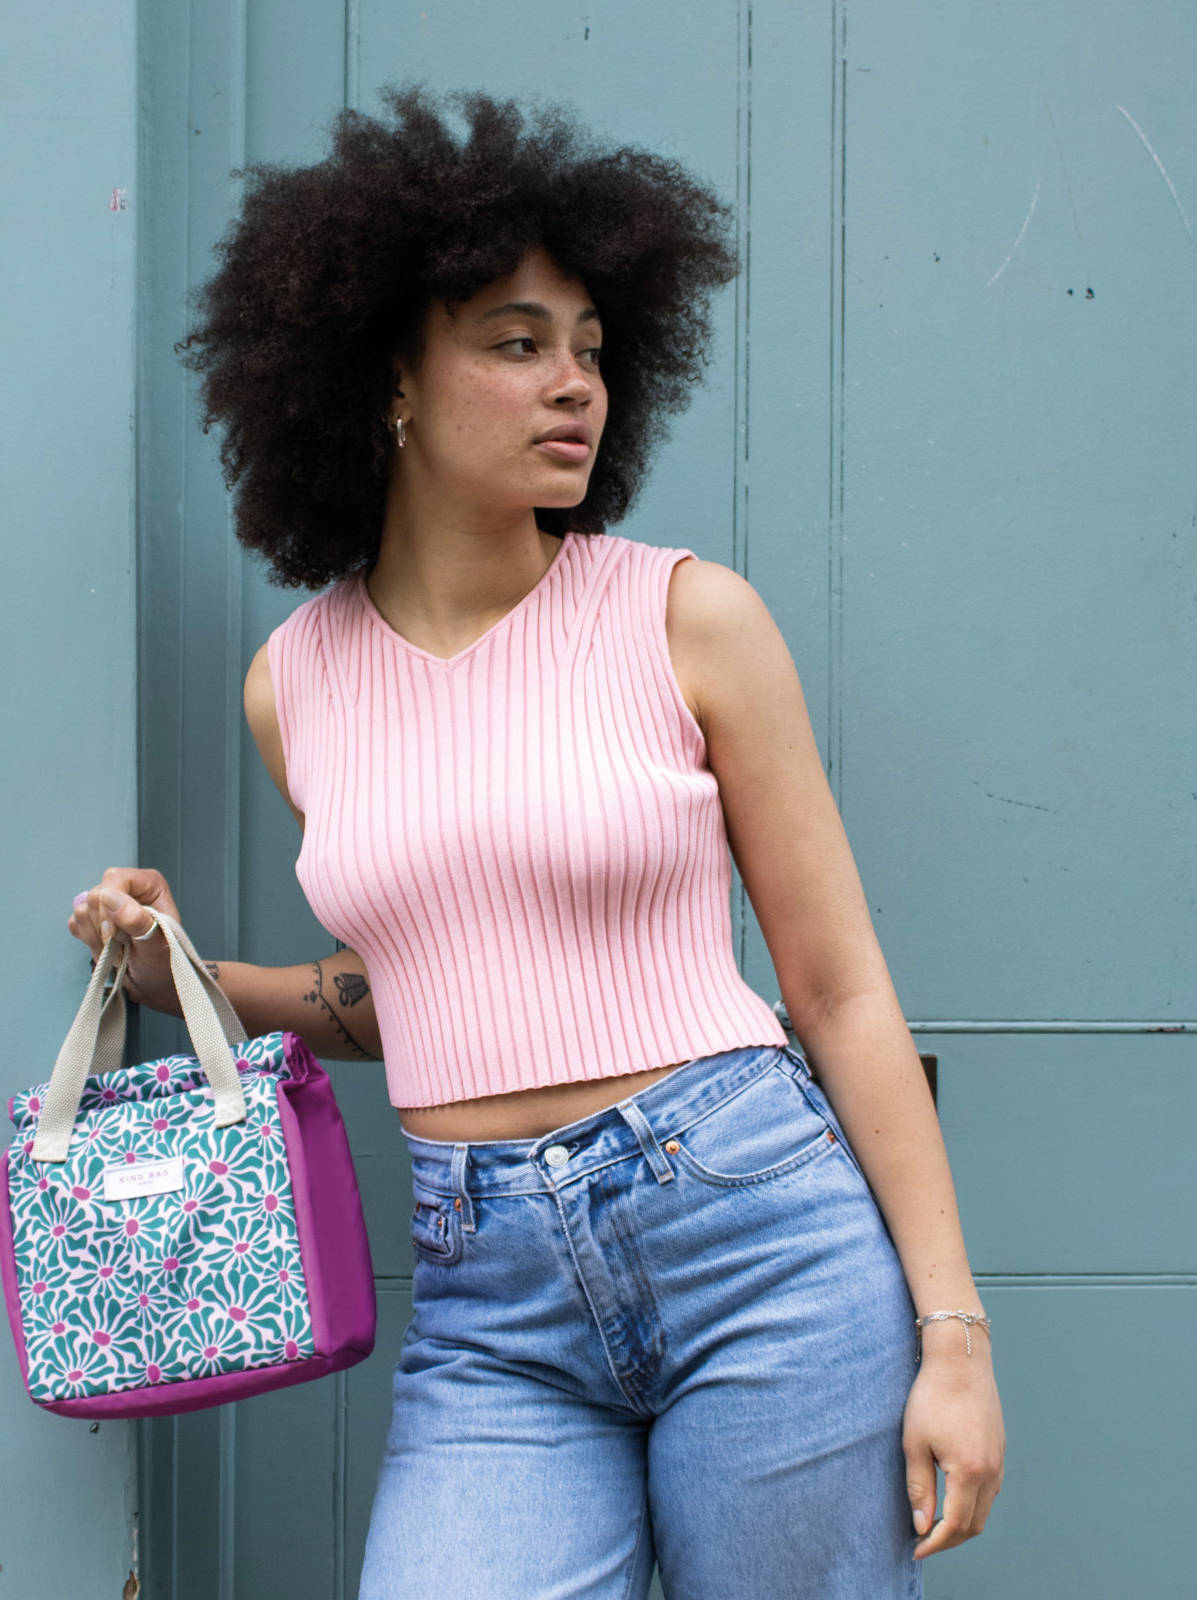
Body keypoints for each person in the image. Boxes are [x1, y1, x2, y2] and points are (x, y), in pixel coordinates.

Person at [68, 88, 1004, 1599]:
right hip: (490, 1304)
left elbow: (837, 995)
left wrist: (954, 1332)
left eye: (591, 347)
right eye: (517, 343)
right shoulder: (292, 684)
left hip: (758, 1241)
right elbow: (411, 983)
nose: (576, 384)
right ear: (386, 376)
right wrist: (173, 967)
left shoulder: (686, 616)